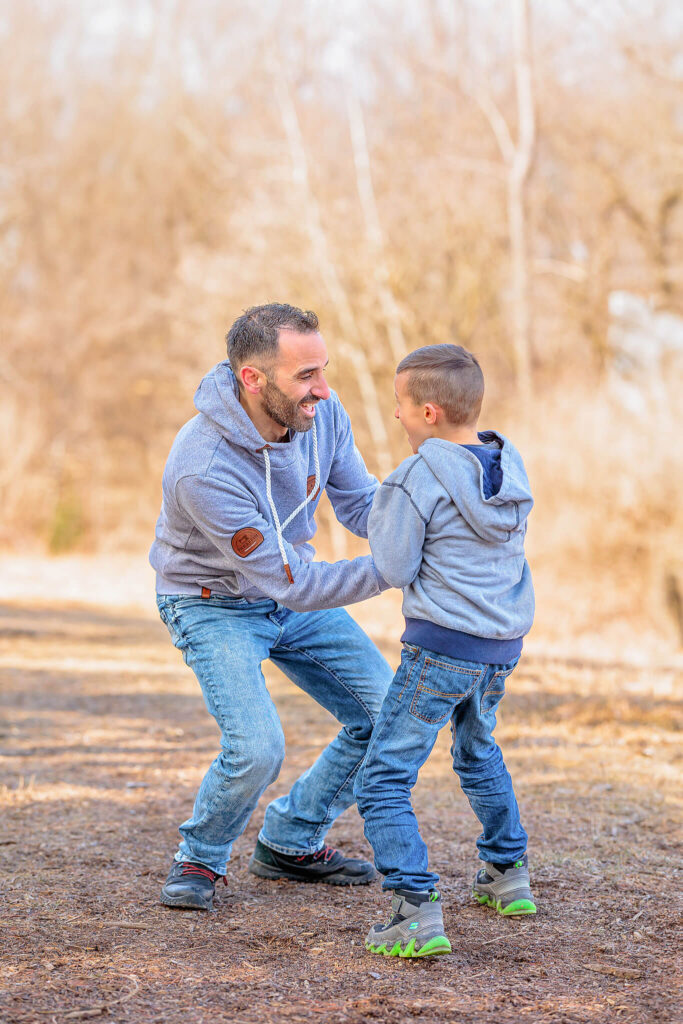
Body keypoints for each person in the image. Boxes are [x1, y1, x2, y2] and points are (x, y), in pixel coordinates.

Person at [149, 303, 394, 911]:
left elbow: (361, 505)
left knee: (388, 715)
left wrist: (423, 529)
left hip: (289, 593)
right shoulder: (203, 464)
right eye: (306, 375)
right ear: (253, 379)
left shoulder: (324, 415)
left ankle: (291, 839)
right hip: (213, 603)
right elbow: (294, 583)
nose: (324, 388)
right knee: (258, 746)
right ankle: (200, 858)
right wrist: (395, 570)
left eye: (323, 369)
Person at [354, 343, 536, 959]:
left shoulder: (416, 475)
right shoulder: (508, 466)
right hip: (498, 646)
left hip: (440, 648)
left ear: (428, 412)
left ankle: (413, 909)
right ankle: (506, 873)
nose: (397, 418)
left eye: (400, 407)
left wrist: (381, 509)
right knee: (478, 747)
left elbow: (394, 563)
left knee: (382, 777)